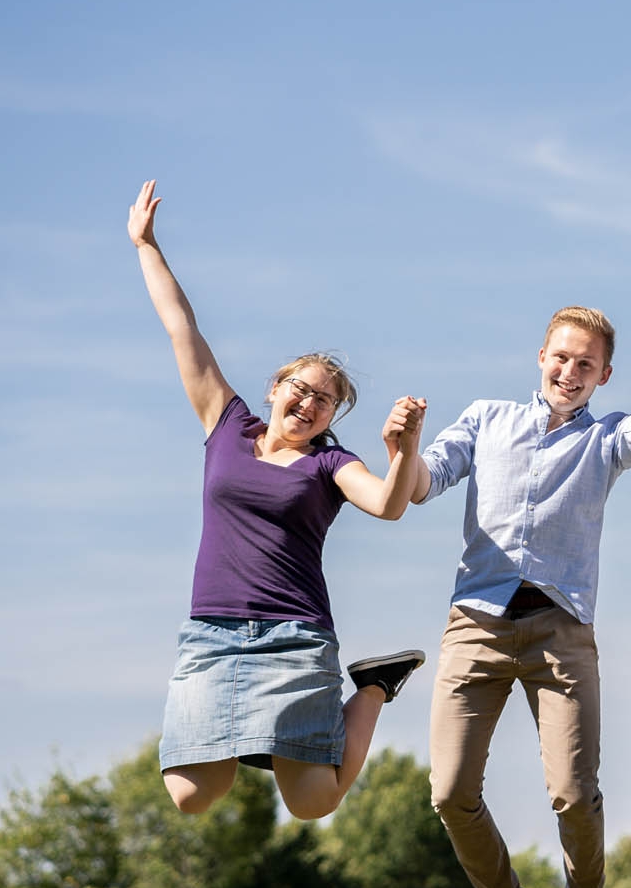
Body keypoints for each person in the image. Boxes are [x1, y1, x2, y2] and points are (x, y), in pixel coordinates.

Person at [129, 180, 428, 823]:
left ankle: (374, 685)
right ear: (276, 387)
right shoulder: (226, 425)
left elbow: (387, 505)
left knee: (312, 803)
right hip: (211, 634)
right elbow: (183, 329)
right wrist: (146, 245)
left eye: (325, 400)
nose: (309, 403)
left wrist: (402, 449)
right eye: (302, 388)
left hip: (295, 636)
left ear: (330, 416)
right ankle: (242, 731)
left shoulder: (330, 463)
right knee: (189, 794)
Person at [412, 296, 631, 888]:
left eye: (585, 364)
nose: (570, 371)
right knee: (448, 791)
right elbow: (420, 484)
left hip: (561, 629)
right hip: (475, 623)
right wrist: (400, 448)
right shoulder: (485, 419)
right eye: (561, 357)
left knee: (572, 790)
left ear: (603, 375)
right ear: (541, 357)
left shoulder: (605, 440)